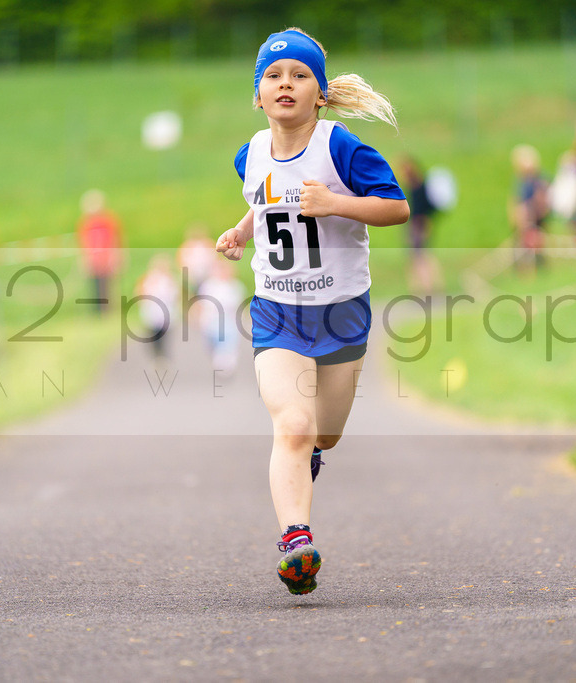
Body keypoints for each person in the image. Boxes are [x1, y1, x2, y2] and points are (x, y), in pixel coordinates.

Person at [215, 28, 409, 595]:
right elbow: (264, 196)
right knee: (292, 425)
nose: (285, 85)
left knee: (325, 433)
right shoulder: (247, 153)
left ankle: (309, 461)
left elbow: (395, 208)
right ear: (257, 94)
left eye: (299, 76)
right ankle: (296, 540)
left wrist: (336, 203)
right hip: (278, 312)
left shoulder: (339, 146)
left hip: (342, 312)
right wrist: (241, 229)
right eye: (273, 76)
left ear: (319, 93)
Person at [196, 258, 247, 377]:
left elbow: (239, 305)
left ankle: (226, 365)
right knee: (212, 344)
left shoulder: (235, 286)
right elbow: (201, 303)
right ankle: (220, 361)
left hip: (228, 320)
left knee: (227, 344)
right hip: (210, 320)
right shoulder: (208, 285)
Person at [77, 189, 124, 315]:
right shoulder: (85, 223)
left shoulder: (109, 220)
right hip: (94, 259)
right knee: (94, 285)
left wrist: (116, 256)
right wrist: (85, 259)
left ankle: (107, 310)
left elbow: (115, 239)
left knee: (107, 285)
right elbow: (84, 242)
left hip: (106, 258)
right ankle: (97, 311)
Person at [400, 157, 441, 292]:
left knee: (419, 257)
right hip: (419, 225)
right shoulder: (418, 186)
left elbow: (422, 210)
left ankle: (426, 287)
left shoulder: (418, 187)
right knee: (421, 256)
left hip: (418, 226)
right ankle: (425, 287)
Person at [509, 144, 549, 270]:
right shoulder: (521, 181)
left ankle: (534, 267)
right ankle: (525, 268)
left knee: (534, 243)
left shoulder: (538, 180)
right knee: (523, 245)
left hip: (534, 217)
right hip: (527, 218)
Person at [134, 254, 177, 362]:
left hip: (165, 313)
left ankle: (162, 355)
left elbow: (174, 295)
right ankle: (157, 355)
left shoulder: (169, 280)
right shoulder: (149, 279)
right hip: (152, 312)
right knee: (154, 335)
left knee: (164, 336)